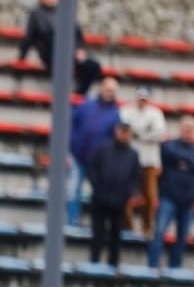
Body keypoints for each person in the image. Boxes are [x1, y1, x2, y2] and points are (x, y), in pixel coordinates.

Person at [146, 115, 194, 271]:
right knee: (159, 233)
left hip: (188, 201)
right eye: (186, 128)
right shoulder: (170, 145)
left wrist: (184, 163)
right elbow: (170, 154)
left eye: (191, 129)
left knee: (182, 238)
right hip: (169, 197)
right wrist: (190, 164)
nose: (188, 131)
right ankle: (152, 267)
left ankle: (174, 269)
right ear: (180, 129)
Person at [69, 77, 123, 227]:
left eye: (112, 91)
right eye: (107, 89)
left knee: (98, 194)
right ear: (101, 88)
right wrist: (72, 145)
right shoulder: (86, 106)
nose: (109, 93)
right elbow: (72, 124)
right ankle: (72, 221)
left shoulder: (116, 114)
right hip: (78, 157)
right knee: (73, 191)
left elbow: (114, 140)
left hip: (98, 163)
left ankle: (95, 225)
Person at [86, 121, 141, 268]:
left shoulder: (133, 154)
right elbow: (92, 167)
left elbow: (135, 177)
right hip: (100, 197)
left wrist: (127, 193)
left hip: (119, 200)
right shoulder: (103, 148)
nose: (123, 135)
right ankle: (94, 262)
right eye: (121, 131)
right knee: (97, 231)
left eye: (126, 132)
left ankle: (113, 263)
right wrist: (97, 186)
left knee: (116, 234)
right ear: (116, 132)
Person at [121, 86, 166, 235]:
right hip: (129, 159)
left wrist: (139, 135)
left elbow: (160, 134)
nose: (142, 101)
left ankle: (146, 227)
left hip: (149, 161)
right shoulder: (126, 111)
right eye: (140, 98)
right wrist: (146, 134)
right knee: (125, 194)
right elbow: (123, 130)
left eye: (145, 99)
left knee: (150, 196)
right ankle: (127, 226)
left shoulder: (155, 113)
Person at [18, 0, 84, 67]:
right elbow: (29, 37)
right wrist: (21, 58)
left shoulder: (65, 12)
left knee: (91, 65)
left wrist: (80, 49)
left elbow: (77, 34)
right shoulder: (36, 14)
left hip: (71, 52)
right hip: (50, 53)